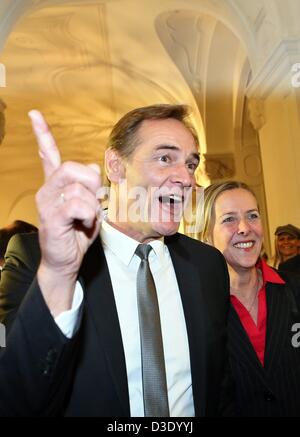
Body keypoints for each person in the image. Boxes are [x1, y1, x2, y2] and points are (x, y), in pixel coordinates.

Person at [0, 104, 232, 417]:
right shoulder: (39, 260)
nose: (186, 178)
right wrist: (59, 273)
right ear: (116, 165)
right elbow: (14, 395)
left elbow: (220, 384)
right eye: (165, 158)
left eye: (190, 165)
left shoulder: (207, 266)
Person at [199, 180, 300, 416]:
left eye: (252, 216)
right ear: (206, 236)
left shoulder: (295, 289)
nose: (244, 227)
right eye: (229, 219)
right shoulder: (197, 310)